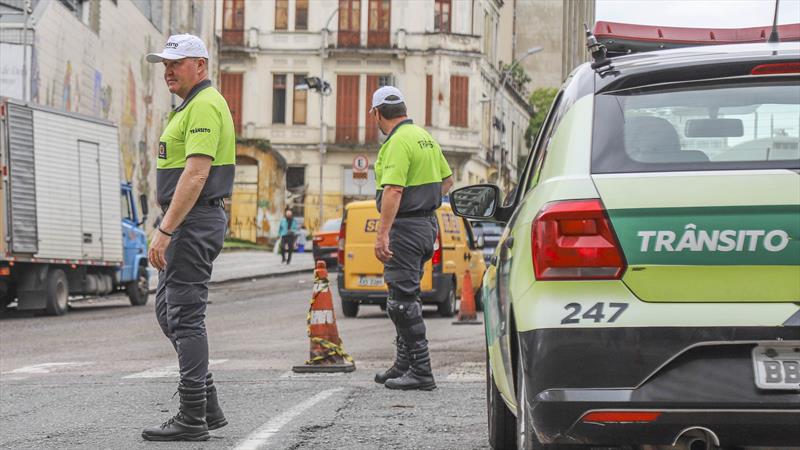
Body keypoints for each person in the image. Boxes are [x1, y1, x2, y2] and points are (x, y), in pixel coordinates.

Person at [142, 34, 235, 442]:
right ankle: (207, 405)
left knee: (185, 316)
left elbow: (196, 173)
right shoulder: (190, 107)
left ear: (200, 65)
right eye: (164, 64)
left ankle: (192, 415)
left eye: (175, 63)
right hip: (187, 220)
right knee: (168, 313)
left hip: (193, 222)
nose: (167, 71)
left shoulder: (205, 105)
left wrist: (166, 229)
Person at [370, 86, 453, 391]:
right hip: (426, 225)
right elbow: (447, 180)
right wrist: (426, 200)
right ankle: (403, 363)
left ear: (377, 113)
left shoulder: (396, 143)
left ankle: (421, 369)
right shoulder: (424, 137)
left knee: (401, 303)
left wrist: (383, 234)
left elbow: (393, 190)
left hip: (405, 229)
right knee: (407, 296)